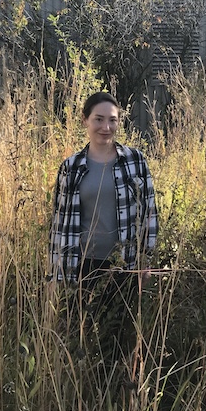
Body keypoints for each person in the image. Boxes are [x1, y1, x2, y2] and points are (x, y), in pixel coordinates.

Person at [49, 91, 158, 360]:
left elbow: (150, 213)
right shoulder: (71, 167)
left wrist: (146, 261)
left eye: (112, 120)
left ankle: (114, 393)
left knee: (117, 338)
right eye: (99, 119)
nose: (106, 127)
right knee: (81, 336)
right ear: (85, 120)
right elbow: (59, 221)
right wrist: (55, 272)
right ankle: (83, 393)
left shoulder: (135, 161)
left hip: (124, 265)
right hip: (83, 265)